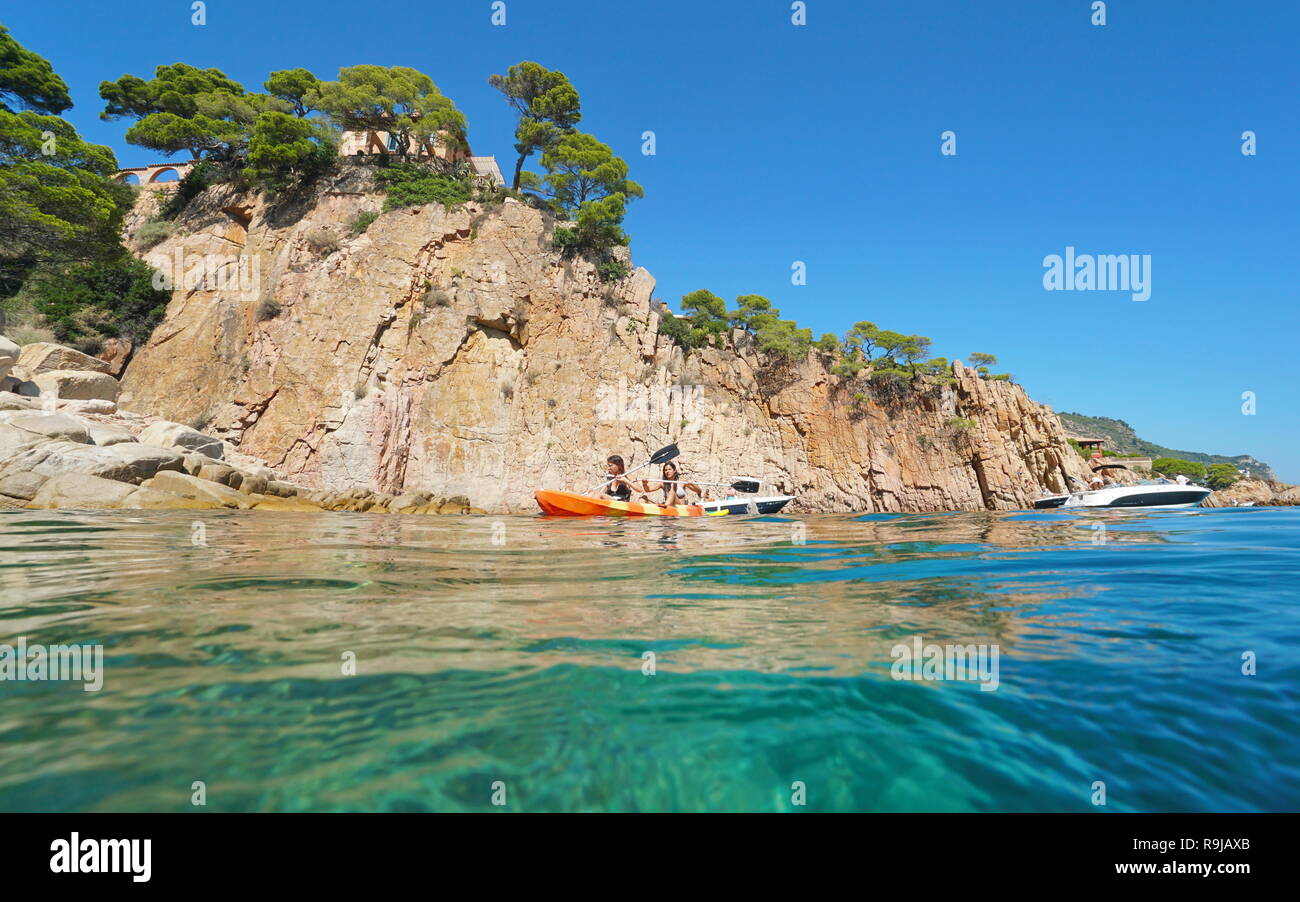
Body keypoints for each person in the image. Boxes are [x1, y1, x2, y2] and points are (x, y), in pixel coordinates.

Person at [640, 461, 708, 505]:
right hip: (668, 507)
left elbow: (699, 490)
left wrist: (691, 483)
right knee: (643, 498)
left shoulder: (682, 482)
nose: (667, 472)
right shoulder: (663, 483)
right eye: (665, 470)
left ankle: (664, 508)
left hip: (680, 508)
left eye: (669, 469)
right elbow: (647, 490)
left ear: (674, 470)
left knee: (672, 493)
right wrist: (644, 484)